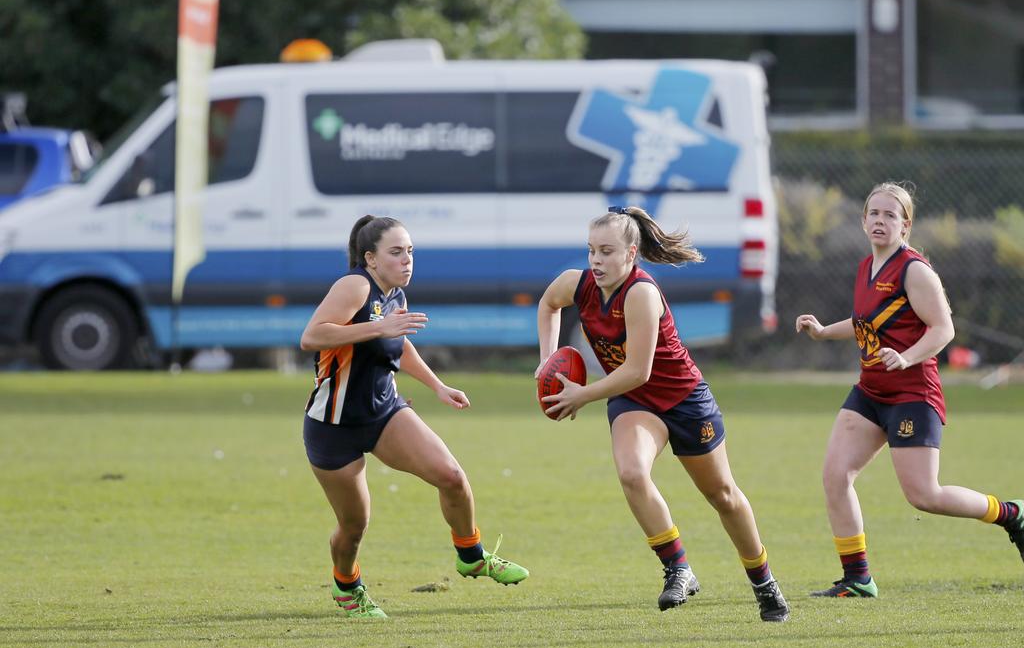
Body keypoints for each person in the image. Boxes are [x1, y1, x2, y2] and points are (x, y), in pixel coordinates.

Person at [536, 206, 790, 622]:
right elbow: (548, 304)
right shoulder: (577, 284)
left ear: (631, 253)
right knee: (632, 473)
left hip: (683, 400)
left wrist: (583, 395)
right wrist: (547, 361)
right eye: (591, 251)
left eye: (606, 251)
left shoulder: (640, 293)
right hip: (634, 400)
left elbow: (639, 370)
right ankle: (678, 568)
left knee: (722, 495)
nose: (596, 261)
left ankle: (764, 581)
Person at [795, 182, 1024, 598]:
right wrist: (824, 331)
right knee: (835, 475)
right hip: (871, 392)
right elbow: (866, 321)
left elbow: (943, 329)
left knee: (924, 495)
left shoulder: (914, 270)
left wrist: (907, 357)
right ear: (864, 220)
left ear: (906, 225)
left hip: (912, 395)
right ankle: (858, 578)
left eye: (890, 215)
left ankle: (1011, 513)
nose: (880, 221)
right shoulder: (867, 267)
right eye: (874, 214)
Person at [300, 214, 528, 619]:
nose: (407, 261)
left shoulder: (395, 295)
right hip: (333, 426)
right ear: (370, 258)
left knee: (452, 477)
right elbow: (312, 336)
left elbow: (399, 346)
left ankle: (471, 555)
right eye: (396, 252)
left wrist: (438, 386)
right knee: (354, 525)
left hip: (384, 413)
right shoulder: (354, 286)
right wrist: (376, 327)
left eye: (410, 252)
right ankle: (347, 587)